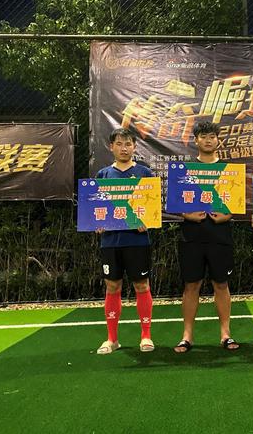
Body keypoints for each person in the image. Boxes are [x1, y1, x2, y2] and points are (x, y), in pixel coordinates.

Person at [173, 122, 239, 353]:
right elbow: (177, 203)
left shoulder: (229, 170)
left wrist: (228, 215)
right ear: (196, 140)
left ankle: (225, 334)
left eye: (212, 136)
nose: (208, 140)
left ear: (218, 140)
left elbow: (235, 203)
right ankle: (187, 336)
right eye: (203, 136)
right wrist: (186, 215)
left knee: (221, 284)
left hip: (220, 235)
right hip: (192, 236)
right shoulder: (185, 170)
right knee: (191, 285)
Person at [95, 128, 155, 354]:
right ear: (111, 147)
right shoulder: (103, 175)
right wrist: (97, 222)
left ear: (134, 147)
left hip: (137, 241)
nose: (124, 148)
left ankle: (146, 336)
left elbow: (151, 208)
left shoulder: (144, 173)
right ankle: (112, 339)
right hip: (110, 242)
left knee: (142, 285)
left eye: (128, 144)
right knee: (112, 286)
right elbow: (96, 208)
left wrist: (146, 221)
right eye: (119, 144)